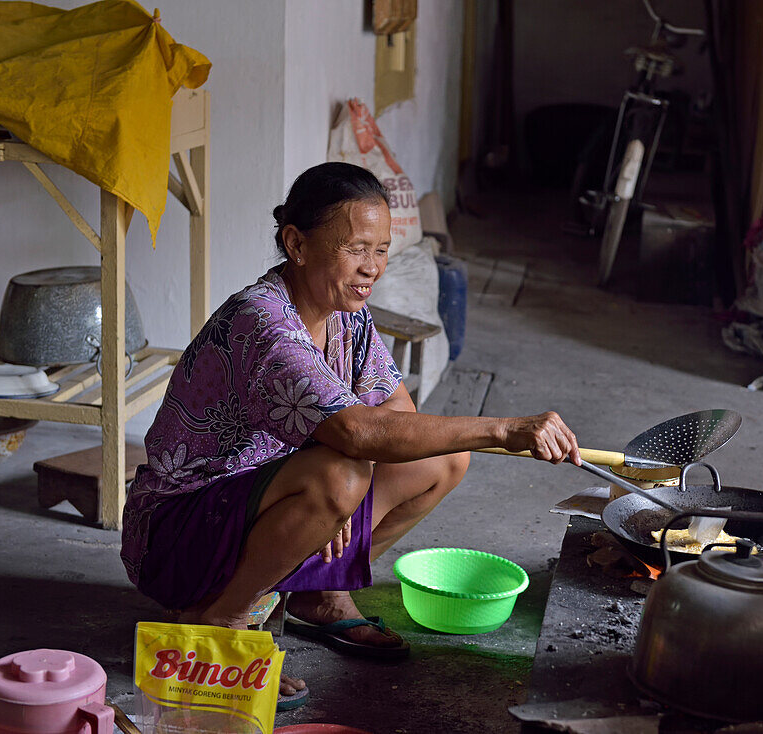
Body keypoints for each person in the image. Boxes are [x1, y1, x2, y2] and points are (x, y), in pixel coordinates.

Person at [121, 162, 581, 698]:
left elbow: (398, 418)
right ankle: (221, 620)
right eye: (357, 248)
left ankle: (322, 591)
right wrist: (502, 429)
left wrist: (345, 491)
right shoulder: (262, 322)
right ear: (296, 243)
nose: (373, 268)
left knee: (440, 461)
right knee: (340, 473)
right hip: (177, 535)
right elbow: (357, 435)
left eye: (382, 250)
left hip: (260, 505)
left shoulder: (346, 313)